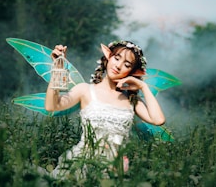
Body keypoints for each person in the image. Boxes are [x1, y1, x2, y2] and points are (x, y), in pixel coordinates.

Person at [43, 40, 166, 179]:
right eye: (117, 58)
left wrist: (143, 86)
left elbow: (158, 120)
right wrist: (58, 68)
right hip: (82, 163)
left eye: (127, 65)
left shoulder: (132, 100)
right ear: (108, 57)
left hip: (114, 168)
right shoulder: (85, 90)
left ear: (132, 72)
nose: (118, 66)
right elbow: (51, 106)